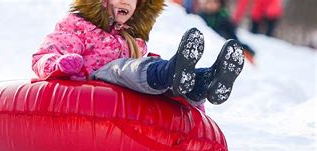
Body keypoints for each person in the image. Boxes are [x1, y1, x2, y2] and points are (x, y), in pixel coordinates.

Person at [32, 0, 245, 106]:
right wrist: (61, 64)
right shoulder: (78, 26)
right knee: (119, 68)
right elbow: (46, 53)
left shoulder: (133, 41)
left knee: (151, 70)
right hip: (88, 89)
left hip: (126, 96)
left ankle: (201, 82)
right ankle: (171, 72)